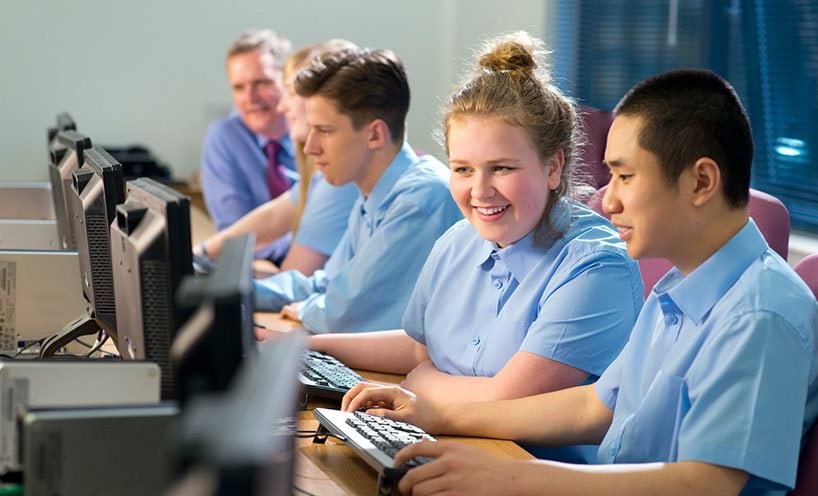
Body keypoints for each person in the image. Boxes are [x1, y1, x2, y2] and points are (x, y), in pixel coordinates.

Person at [344, 68, 818, 495]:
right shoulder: (679, 287)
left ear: (701, 182)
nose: (607, 200)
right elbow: (596, 407)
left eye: (625, 176)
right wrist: (436, 414)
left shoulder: (761, 313)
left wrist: (510, 478)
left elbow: (707, 483)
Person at [310, 33, 642, 463]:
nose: (479, 191)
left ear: (553, 166)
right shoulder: (458, 241)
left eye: (501, 168)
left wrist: (419, 384)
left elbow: (505, 398)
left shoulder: (596, 267)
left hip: (535, 473)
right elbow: (418, 350)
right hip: (457, 450)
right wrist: (316, 347)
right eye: (463, 169)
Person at [253, 47, 463, 334]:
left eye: (324, 131)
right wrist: (236, 292)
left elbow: (343, 314)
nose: (309, 147)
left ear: (375, 134)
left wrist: (307, 309)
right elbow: (326, 283)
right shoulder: (371, 195)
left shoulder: (421, 200)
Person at [196, 40, 359, 276]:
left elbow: (293, 280)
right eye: (239, 87)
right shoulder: (326, 172)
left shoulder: (340, 176)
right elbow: (274, 216)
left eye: (290, 93)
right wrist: (196, 253)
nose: (283, 106)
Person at [200, 29, 296, 263]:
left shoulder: (316, 133)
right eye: (239, 87)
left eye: (261, 83)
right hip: (262, 263)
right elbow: (235, 235)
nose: (250, 98)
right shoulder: (224, 137)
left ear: (288, 79)